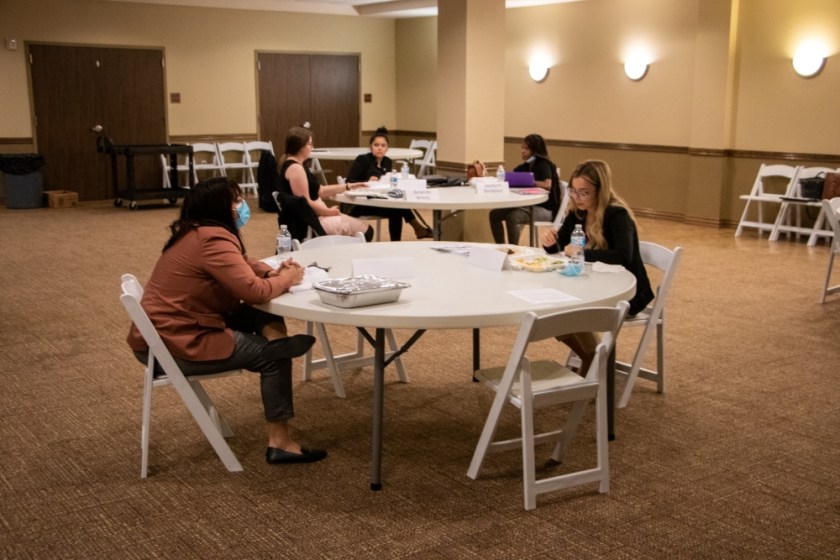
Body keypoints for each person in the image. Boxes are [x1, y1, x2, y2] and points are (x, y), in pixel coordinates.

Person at [126, 177, 327, 465]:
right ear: (219, 206)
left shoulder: (195, 231)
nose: (241, 206)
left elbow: (242, 261)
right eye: (235, 201)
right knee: (274, 358)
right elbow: (254, 292)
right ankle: (281, 442)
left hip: (171, 330)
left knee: (263, 314)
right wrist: (285, 279)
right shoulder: (212, 239)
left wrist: (270, 273)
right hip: (176, 344)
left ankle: (278, 342)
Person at [541, 159, 654, 375]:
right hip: (593, 284)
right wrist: (550, 243)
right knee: (552, 307)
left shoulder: (617, 215)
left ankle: (593, 358)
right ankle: (591, 355)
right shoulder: (578, 212)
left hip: (627, 293)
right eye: (573, 191)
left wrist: (582, 253)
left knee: (567, 309)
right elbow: (562, 245)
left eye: (584, 193)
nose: (577, 197)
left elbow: (623, 255)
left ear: (600, 191)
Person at [279, 126, 373, 241]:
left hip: (317, 217)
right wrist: (330, 212)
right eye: (309, 144)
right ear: (300, 146)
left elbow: (321, 190)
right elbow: (305, 205)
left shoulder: (298, 166)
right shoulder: (296, 169)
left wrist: (347, 186)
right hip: (312, 222)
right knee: (367, 231)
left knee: (360, 228)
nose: (312, 147)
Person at [345, 127, 433, 241]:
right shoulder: (362, 160)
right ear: (370, 147)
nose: (379, 148)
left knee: (397, 206)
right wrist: (367, 182)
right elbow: (350, 181)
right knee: (396, 208)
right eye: (376, 145)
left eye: (383, 146)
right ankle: (413, 231)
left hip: (379, 199)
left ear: (387, 148)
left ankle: (409, 234)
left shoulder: (387, 161)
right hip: (361, 202)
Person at [489, 134, 561, 245]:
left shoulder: (544, 164)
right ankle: (501, 246)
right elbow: (515, 176)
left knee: (513, 217)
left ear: (535, 150)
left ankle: (513, 249)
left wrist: (530, 182)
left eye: (526, 148)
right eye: (522, 147)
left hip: (545, 208)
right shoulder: (526, 166)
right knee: (494, 214)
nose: (522, 151)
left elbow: (547, 185)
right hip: (528, 205)